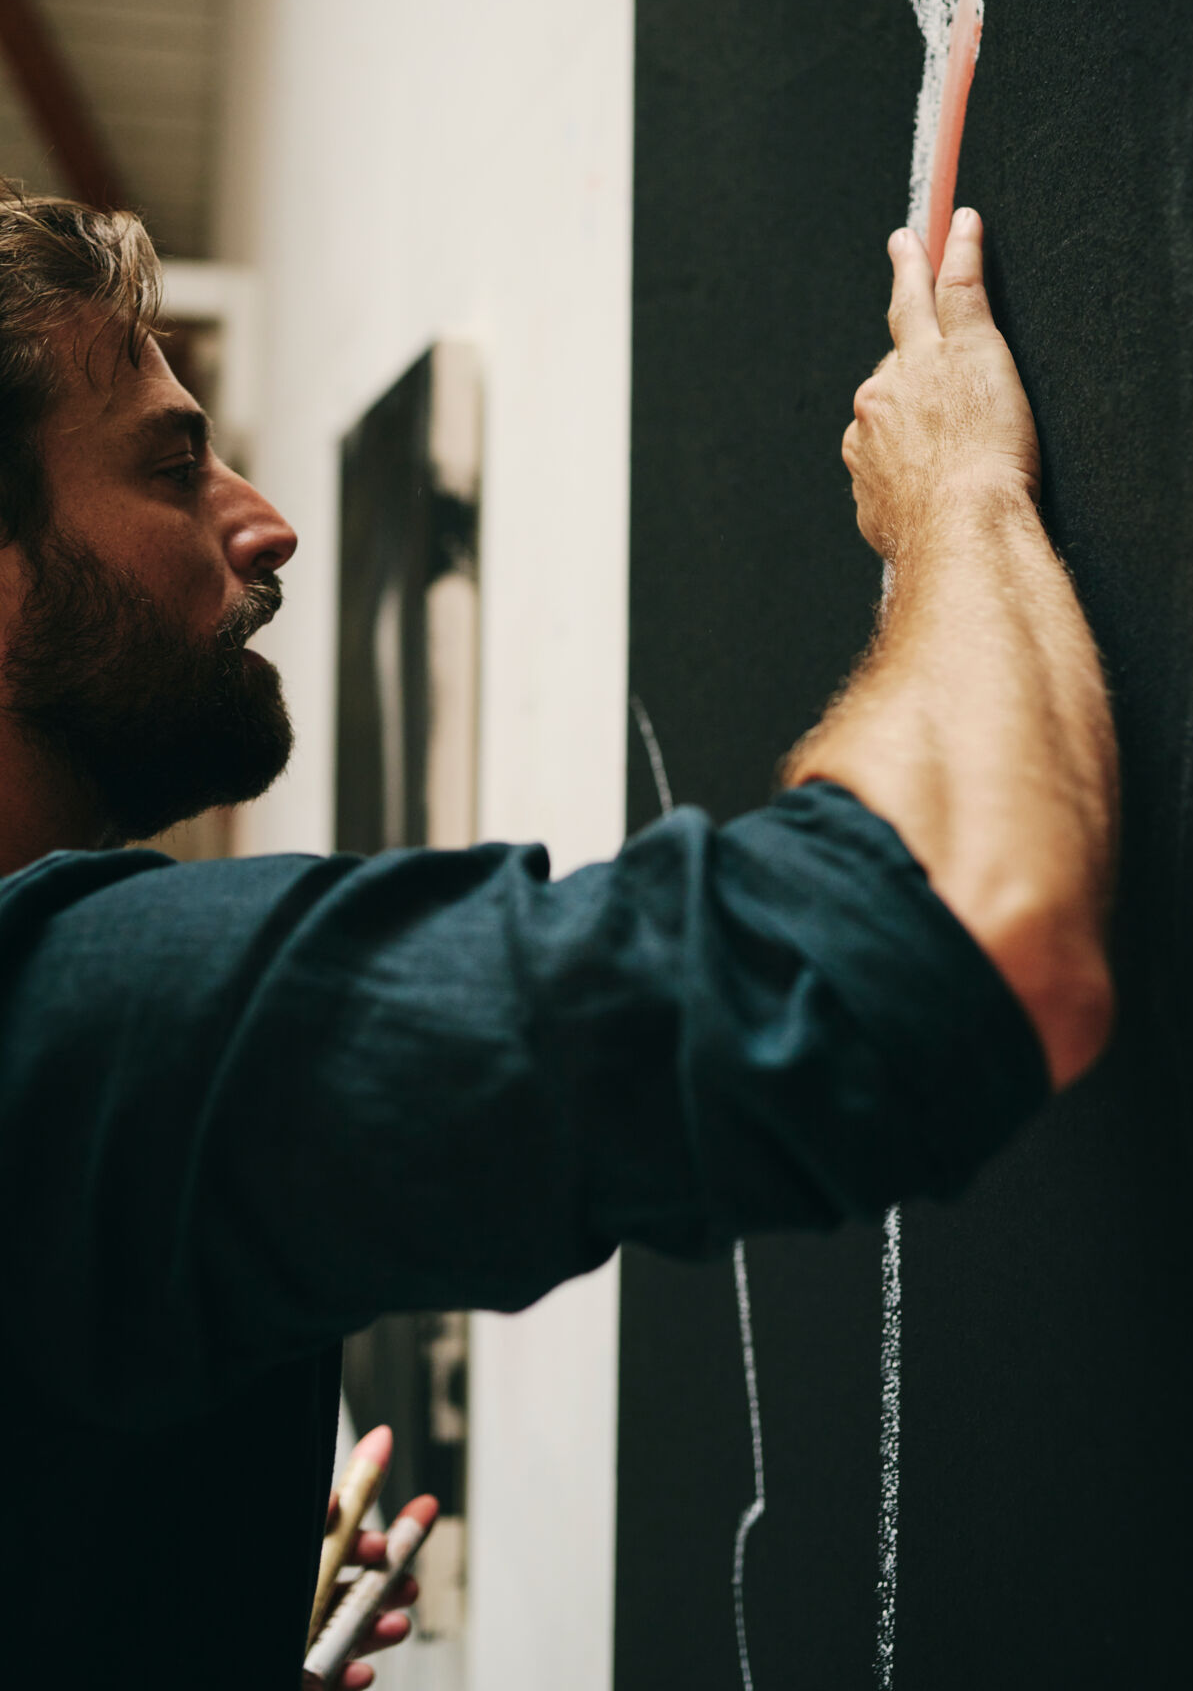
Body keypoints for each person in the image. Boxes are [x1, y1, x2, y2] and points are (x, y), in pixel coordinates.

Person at [0, 190, 1115, 1685]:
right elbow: (965, 941)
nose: (263, 522)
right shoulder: (72, 1025)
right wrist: (958, 490)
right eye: (172, 462)